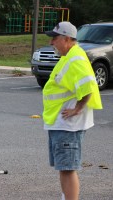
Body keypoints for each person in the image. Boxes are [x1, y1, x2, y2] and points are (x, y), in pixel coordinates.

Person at [42, 21, 103, 200]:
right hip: (60, 124)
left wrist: (77, 109)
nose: (51, 42)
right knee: (64, 168)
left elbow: (88, 88)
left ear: (67, 39)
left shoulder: (75, 59)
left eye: (55, 38)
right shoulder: (68, 56)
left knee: (68, 170)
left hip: (69, 126)